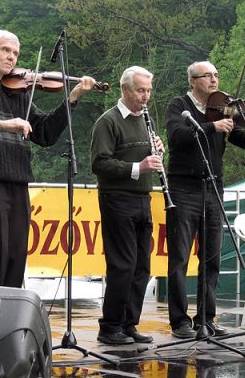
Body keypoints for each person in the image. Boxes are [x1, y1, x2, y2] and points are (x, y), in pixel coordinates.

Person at [0, 30, 95, 288]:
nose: (12, 57)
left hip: (18, 179)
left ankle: (9, 317)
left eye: (15, 53)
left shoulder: (20, 92)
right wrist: (0, 124)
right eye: (5, 50)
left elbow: (45, 133)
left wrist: (72, 99)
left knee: (15, 252)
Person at [164, 61, 245, 338]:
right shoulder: (178, 106)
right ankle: (179, 322)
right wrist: (213, 126)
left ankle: (206, 318)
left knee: (211, 257)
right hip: (183, 187)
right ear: (193, 81)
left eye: (216, 75)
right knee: (179, 258)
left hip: (214, 187)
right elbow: (177, 137)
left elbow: (242, 139)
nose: (214, 80)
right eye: (208, 76)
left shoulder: (221, 108)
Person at [90, 66, 162, 345]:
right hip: (116, 198)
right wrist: (139, 166)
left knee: (142, 267)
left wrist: (157, 151)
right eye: (140, 90)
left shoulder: (146, 119)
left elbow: (145, 158)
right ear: (125, 90)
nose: (146, 97)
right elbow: (99, 163)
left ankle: (129, 324)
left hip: (142, 198)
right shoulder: (108, 122)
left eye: (148, 91)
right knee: (123, 265)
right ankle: (109, 327)